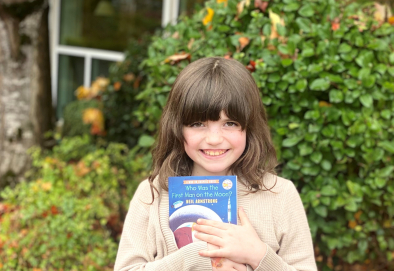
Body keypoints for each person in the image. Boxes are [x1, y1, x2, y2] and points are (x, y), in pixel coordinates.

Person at [114, 57, 317, 271]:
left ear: (250, 127)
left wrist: (258, 255)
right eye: (197, 124)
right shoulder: (152, 194)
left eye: (230, 123)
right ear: (177, 128)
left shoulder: (280, 195)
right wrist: (199, 256)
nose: (213, 139)